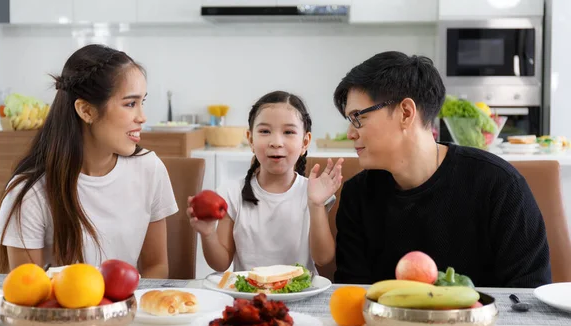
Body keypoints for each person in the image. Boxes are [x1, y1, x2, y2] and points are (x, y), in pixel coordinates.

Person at [332, 51, 551, 288]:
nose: (350, 133)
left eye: (357, 117)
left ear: (406, 113)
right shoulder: (357, 196)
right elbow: (352, 295)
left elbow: (528, 295)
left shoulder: (499, 185)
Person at [0, 44, 177, 278]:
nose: (142, 117)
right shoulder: (30, 191)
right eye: (130, 104)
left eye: (142, 102)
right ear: (86, 111)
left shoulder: (150, 168)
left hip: (127, 312)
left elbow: (155, 267)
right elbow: (28, 293)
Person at [188, 90, 343, 274]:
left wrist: (316, 205)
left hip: (301, 295)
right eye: (265, 131)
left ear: (305, 142)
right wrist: (208, 234)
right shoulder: (231, 193)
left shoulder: (312, 193)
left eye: (288, 132)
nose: (276, 142)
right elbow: (220, 264)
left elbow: (323, 258)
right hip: (248, 297)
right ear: (251, 140)